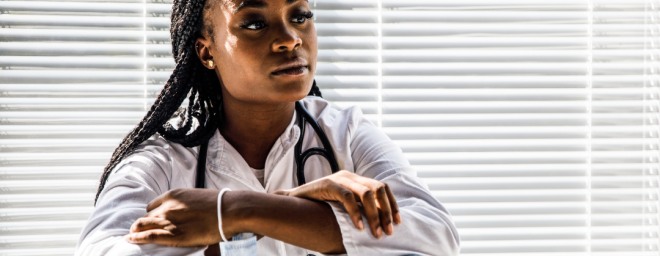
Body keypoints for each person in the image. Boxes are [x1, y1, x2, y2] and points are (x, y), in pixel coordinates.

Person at [75, 0, 460, 255]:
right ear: (207, 51)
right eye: (255, 23)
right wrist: (287, 212)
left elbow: (435, 237)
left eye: (300, 16)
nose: (291, 39)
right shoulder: (161, 161)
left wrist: (240, 212)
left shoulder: (348, 134)